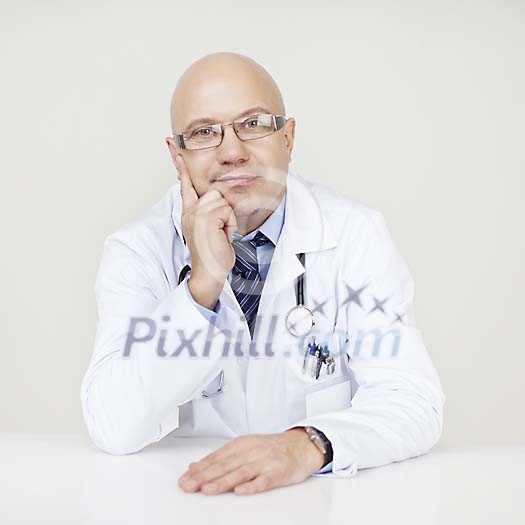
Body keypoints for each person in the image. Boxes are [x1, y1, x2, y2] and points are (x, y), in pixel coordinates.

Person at [80, 52, 445, 496]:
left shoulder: (353, 234)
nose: (232, 151)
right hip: (186, 502)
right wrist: (201, 289)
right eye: (203, 133)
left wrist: (306, 445)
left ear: (288, 138)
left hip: (321, 501)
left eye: (252, 124)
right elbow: (112, 423)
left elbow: (413, 401)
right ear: (177, 155)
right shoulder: (137, 250)